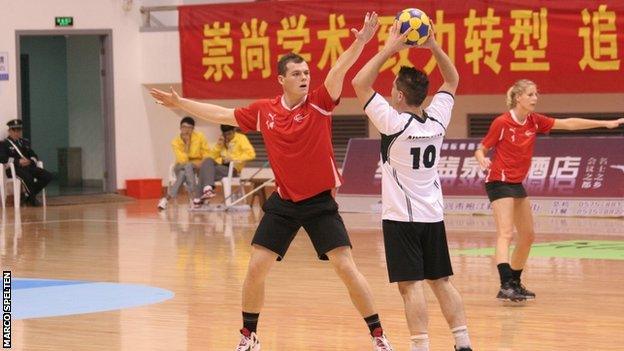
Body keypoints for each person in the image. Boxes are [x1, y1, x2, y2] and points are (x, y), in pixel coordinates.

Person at [151, 12, 395, 351]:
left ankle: (379, 335)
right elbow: (221, 114)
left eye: (307, 72)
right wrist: (180, 104)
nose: (304, 77)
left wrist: (361, 42)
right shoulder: (265, 111)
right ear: (281, 79)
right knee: (255, 268)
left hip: (320, 202)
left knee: (346, 268)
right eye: (296, 73)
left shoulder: (320, 104)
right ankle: (249, 336)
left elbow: (339, 69)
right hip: (283, 202)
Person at [352, 22, 473, 351]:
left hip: (401, 221)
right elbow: (452, 79)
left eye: (392, 88)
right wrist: (433, 45)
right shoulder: (437, 119)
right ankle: (463, 343)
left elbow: (359, 82)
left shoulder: (392, 121)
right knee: (442, 282)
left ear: (399, 95)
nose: (389, 92)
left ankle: (420, 347)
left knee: (411, 287)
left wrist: (389, 48)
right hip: (433, 216)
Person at [474, 79, 624, 302]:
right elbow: (481, 148)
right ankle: (505, 284)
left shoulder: (534, 121)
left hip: (516, 183)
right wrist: (481, 159)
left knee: (528, 236)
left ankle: (514, 281)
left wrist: (605, 124)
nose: (536, 98)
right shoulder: (502, 122)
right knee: (506, 233)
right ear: (518, 98)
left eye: (536, 94)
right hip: (498, 180)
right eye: (531, 94)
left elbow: (569, 124)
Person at [193, 124, 256, 207]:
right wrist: (219, 146)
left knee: (204, 171)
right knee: (207, 161)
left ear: (234, 130)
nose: (228, 136)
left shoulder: (241, 138)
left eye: (229, 134)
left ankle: (200, 196)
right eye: (225, 134)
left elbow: (251, 154)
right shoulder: (222, 140)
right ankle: (208, 189)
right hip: (219, 167)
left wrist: (233, 158)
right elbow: (211, 157)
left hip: (233, 169)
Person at [158, 116, 211, 210]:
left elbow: (207, 152)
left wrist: (202, 163)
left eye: (189, 128)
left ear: (193, 129)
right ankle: (195, 197)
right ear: (180, 128)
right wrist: (187, 143)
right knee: (187, 167)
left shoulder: (200, 137)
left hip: (196, 165)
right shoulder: (175, 141)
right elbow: (182, 160)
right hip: (180, 165)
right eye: (184, 127)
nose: (186, 130)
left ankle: (166, 199)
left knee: (183, 173)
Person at [0, 119, 52, 207]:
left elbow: (34, 155)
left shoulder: (24, 142)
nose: (17, 133)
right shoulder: (4, 144)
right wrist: (18, 161)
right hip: (14, 169)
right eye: (14, 130)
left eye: (19, 130)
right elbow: (2, 158)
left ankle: (28, 197)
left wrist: (30, 161)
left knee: (47, 176)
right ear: (9, 131)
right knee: (28, 177)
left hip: (28, 167)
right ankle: (32, 199)